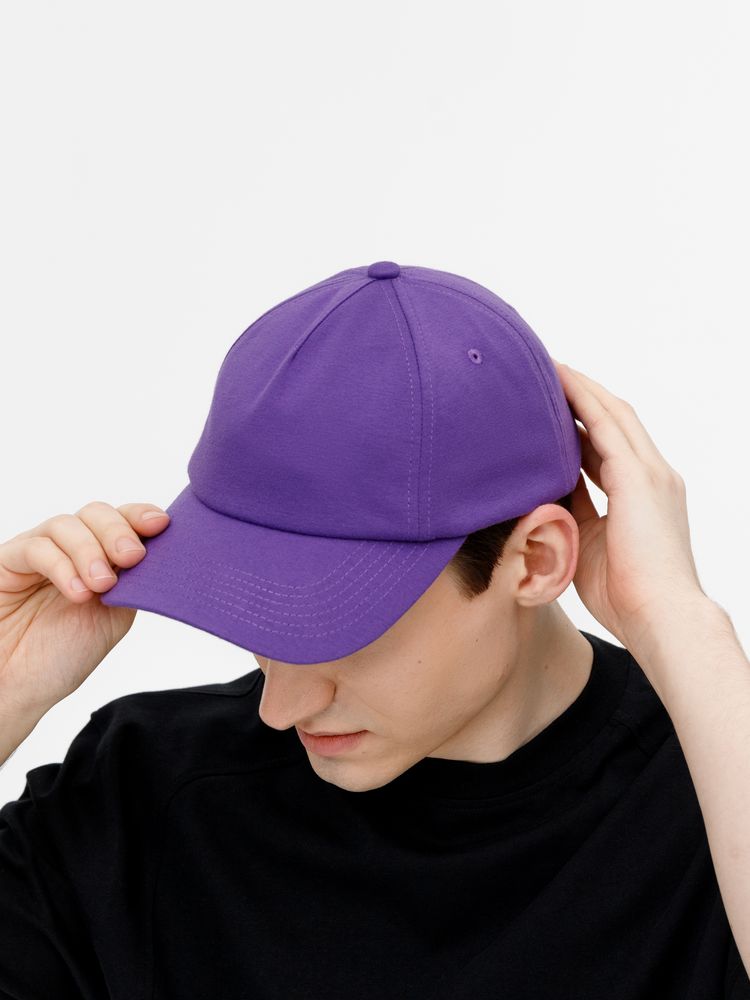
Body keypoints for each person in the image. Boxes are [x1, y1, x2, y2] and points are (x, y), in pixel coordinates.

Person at [1, 262, 748, 998]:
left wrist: (676, 618)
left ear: (537, 561)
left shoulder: (714, 796)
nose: (280, 708)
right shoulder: (145, 793)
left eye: (340, 628)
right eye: (260, 615)